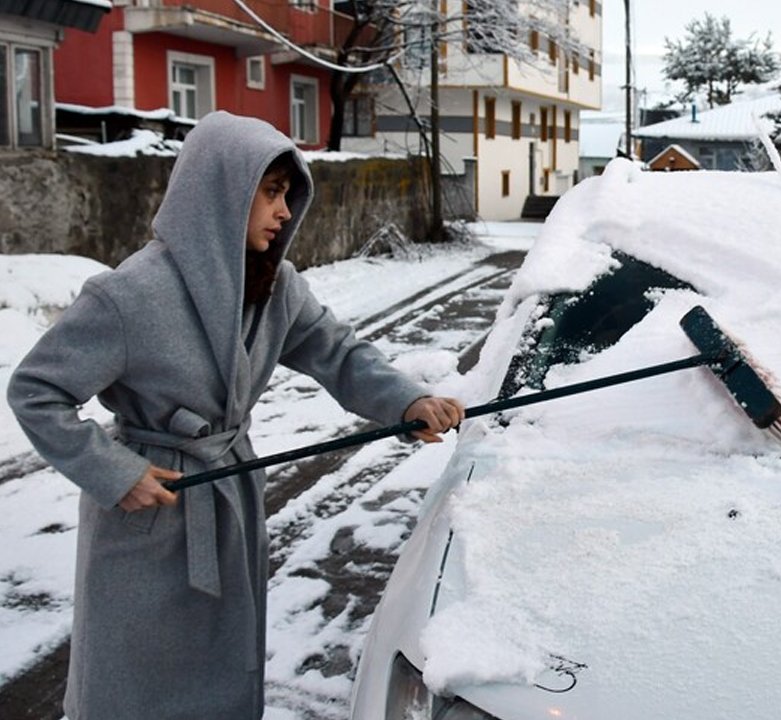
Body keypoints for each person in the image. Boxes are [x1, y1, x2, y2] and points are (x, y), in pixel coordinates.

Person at [5, 111, 464, 718]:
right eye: (271, 193)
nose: (283, 212)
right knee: (134, 680)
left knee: (220, 670)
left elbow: (339, 354)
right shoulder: (128, 295)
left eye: (285, 195)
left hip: (228, 494)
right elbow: (37, 390)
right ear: (222, 192)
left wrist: (407, 401)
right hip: (150, 506)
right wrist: (115, 473)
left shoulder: (275, 288)